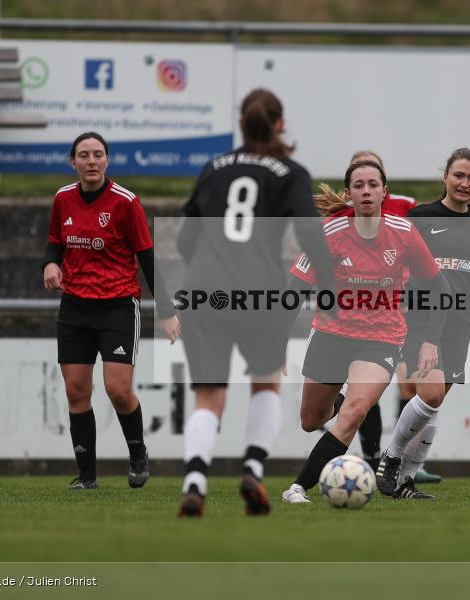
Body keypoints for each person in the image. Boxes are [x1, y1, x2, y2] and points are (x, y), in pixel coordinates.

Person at [174, 88, 334, 517]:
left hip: (205, 291)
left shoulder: (213, 168)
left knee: (209, 395)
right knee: (265, 383)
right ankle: (252, 469)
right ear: (280, 123)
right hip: (259, 292)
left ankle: (195, 481)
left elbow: (186, 238)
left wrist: (205, 269)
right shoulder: (291, 172)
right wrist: (328, 284)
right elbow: (309, 232)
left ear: (241, 123)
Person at [280, 159, 450, 504]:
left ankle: (297, 488)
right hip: (331, 334)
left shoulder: (403, 232)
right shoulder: (328, 233)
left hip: (381, 338)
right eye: (359, 185)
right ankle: (342, 396)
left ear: (385, 192)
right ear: (349, 193)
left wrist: (431, 340)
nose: (367, 191)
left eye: (373, 184)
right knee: (311, 420)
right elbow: (295, 289)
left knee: (355, 412)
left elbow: (440, 287)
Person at [43, 131, 180, 491]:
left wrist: (165, 310)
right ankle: (87, 476)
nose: (91, 161)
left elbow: (147, 257)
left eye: (98, 154)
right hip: (75, 307)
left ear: (107, 160)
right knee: (76, 390)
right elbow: (55, 243)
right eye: (84, 155)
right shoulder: (62, 199)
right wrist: (50, 264)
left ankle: (137, 455)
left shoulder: (125, 202)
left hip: (117, 306)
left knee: (117, 389)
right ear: (72, 162)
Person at [376, 147, 470, 500]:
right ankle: (391, 457)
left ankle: (406, 482)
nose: (465, 183)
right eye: (459, 175)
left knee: (433, 404)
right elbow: (394, 261)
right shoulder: (420, 217)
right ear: (445, 176)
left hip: (459, 319)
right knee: (429, 394)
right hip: (422, 318)